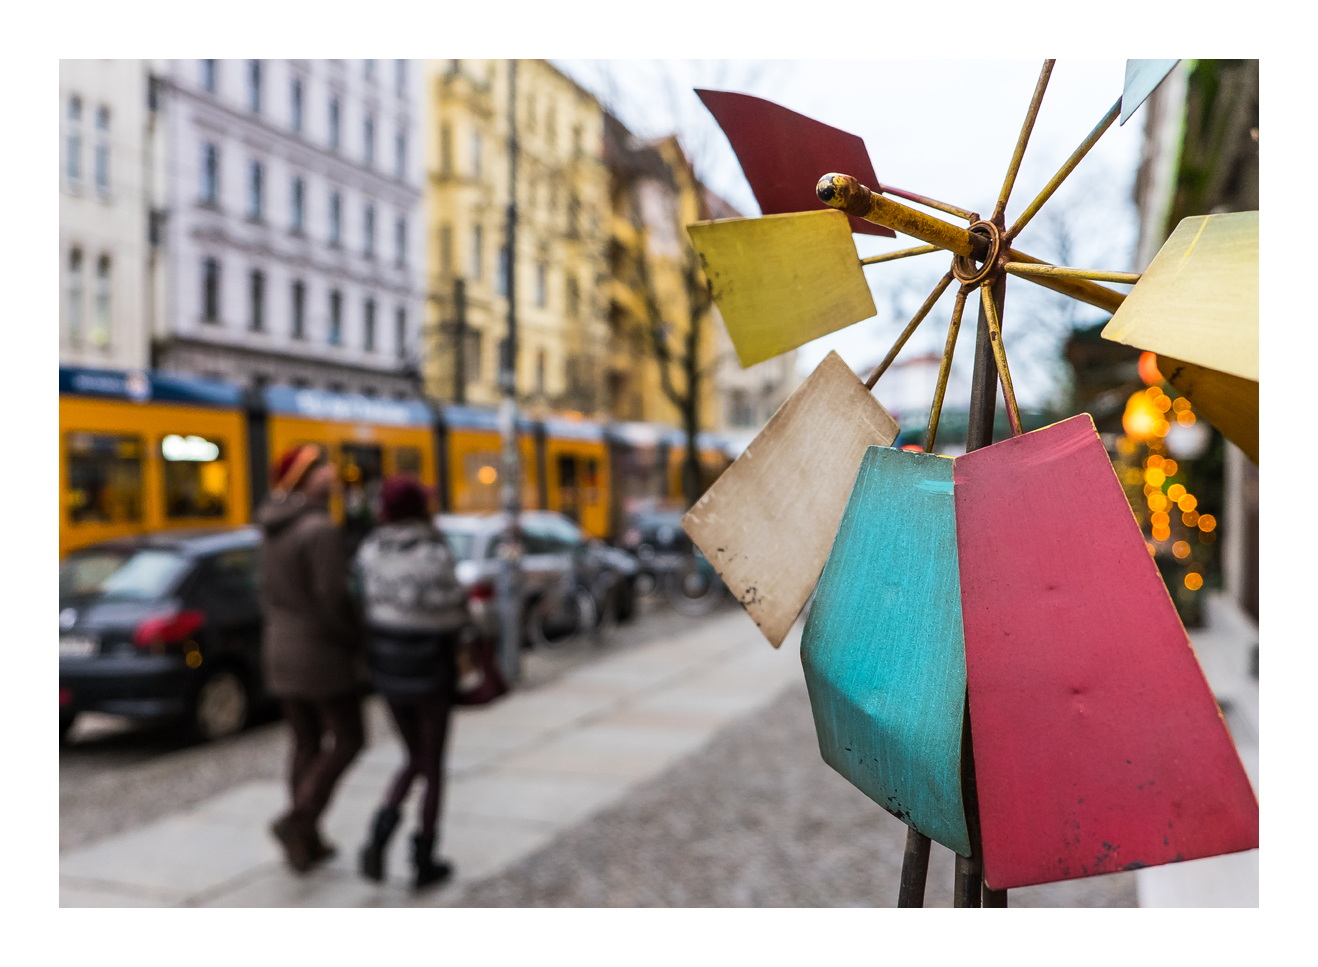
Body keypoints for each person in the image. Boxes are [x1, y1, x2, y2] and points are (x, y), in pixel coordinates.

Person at [354, 475, 467, 889]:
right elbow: (455, 611)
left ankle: (378, 835)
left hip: (387, 671)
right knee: (432, 764)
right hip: (430, 670)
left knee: (412, 756)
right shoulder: (433, 551)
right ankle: (424, 857)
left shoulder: (370, 549)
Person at [257, 444, 366, 873]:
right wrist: (356, 639)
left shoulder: (271, 526)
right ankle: (298, 819)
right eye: (320, 467)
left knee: (305, 742)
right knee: (349, 737)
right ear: (302, 479)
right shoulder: (319, 529)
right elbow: (333, 598)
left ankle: (306, 840)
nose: (332, 472)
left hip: (279, 649)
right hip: (319, 652)